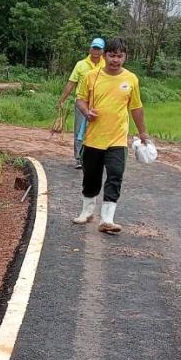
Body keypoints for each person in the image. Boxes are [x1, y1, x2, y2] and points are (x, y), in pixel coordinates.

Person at [74, 37, 149, 235]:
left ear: (125, 57)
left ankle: (107, 219)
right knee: (91, 176)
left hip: (118, 139)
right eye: (112, 55)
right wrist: (86, 111)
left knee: (115, 174)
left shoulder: (131, 79)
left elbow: (136, 107)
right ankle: (87, 211)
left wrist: (142, 132)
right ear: (105, 55)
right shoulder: (91, 76)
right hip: (93, 138)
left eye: (120, 56)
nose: (115, 60)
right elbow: (80, 99)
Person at [57, 37, 106, 169]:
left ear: (103, 51)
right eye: (94, 48)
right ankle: (78, 158)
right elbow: (71, 83)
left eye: (98, 49)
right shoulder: (80, 65)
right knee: (79, 131)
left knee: (96, 132)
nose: (95, 51)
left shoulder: (106, 65)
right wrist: (62, 99)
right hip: (82, 103)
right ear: (90, 48)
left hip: (99, 104)